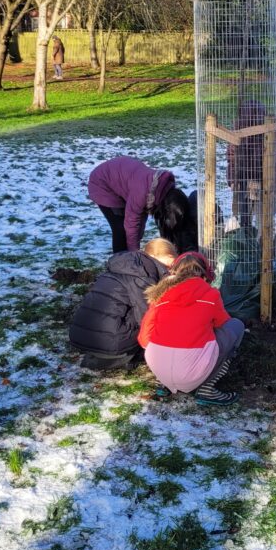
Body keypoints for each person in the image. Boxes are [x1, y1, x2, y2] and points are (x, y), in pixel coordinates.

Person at [138, 251, 244, 406]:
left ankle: (165, 383)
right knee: (236, 326)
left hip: (159, 367)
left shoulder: (160, 295)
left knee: (165, 338)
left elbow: (144, 338)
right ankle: (207, 388)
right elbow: (223, 323)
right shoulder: (211, 294)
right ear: (206, 274)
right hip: (192, 370)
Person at [68, 238, 177, 373]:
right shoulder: (142, 276)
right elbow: (146, 316)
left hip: (81, 334)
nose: (172, 264)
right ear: (154, 256)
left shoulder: (124, 266)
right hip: (109, 342)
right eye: (170, 258)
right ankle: (122, 356)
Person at [88, 155, 182, 253]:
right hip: (101, 184)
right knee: (120, 229)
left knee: (130, 230)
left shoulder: (158, 189)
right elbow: (132, 223)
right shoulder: (142, 193)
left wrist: (137, 240)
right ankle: (119, 262)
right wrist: (134, 253)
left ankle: (127, 258)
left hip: (120, 176)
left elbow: (141, 216)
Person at [227, 99, 276, 229]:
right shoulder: (272, 128)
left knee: (258, 216)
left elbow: (231, 158)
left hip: (261, 180)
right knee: (259, 218)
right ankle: (254, 241)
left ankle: (256, 242)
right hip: (248, 181)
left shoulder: (271, 130)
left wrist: (232, 180)